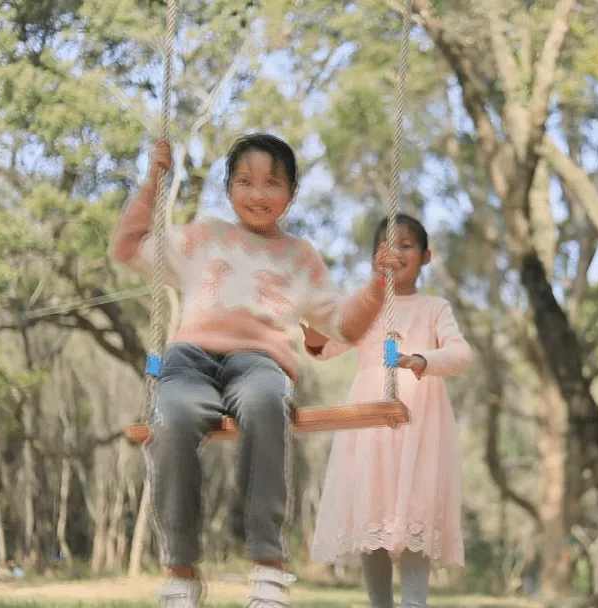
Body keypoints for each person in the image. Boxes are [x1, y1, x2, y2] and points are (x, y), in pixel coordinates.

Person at [110, 133, 400, 608]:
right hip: (189, 362)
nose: (258, 194)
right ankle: (181, 572)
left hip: (259, 364)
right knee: (170, 419)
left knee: (266, 403)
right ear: (228, 189)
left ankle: (269, 568)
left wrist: (376, 282)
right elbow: (127, 247)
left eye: (272, 182)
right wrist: (153, 181)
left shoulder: (300, 256)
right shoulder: (204, 236)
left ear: (292, 192)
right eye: (244, 181)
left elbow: (343, 325)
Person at [305, 213, 472, 608]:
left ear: (426, 256)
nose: (397, 253)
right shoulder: (366, 306)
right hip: (369, 423)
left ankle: (414, 602)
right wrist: (310, 318)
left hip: (420, 421)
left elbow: (461, 353)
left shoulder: (434, 307)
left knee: (415, 509)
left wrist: (423, 359)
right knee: (372, 509)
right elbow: (324, 347)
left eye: (407, 245)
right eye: (388, 246)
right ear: (374, 259)